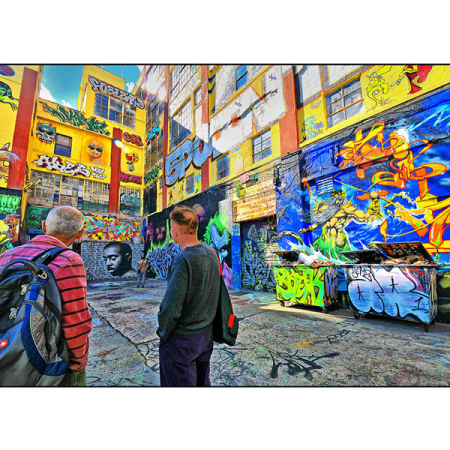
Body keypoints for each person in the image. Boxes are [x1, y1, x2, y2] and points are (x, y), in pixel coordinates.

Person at [0, 206, 92, 386]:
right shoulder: (68, 260)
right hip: (44, 359)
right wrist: (77, 363)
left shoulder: (6, 256)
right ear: (80, 233)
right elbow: (76, 320)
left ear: (44, 226)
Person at [157, 206, 221, 386]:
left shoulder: (183, 259)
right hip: (206, 336)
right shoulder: (212, 253)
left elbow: (171, 307)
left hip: (182, 342)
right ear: (195, 228)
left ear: (174, 232)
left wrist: (163, 332)